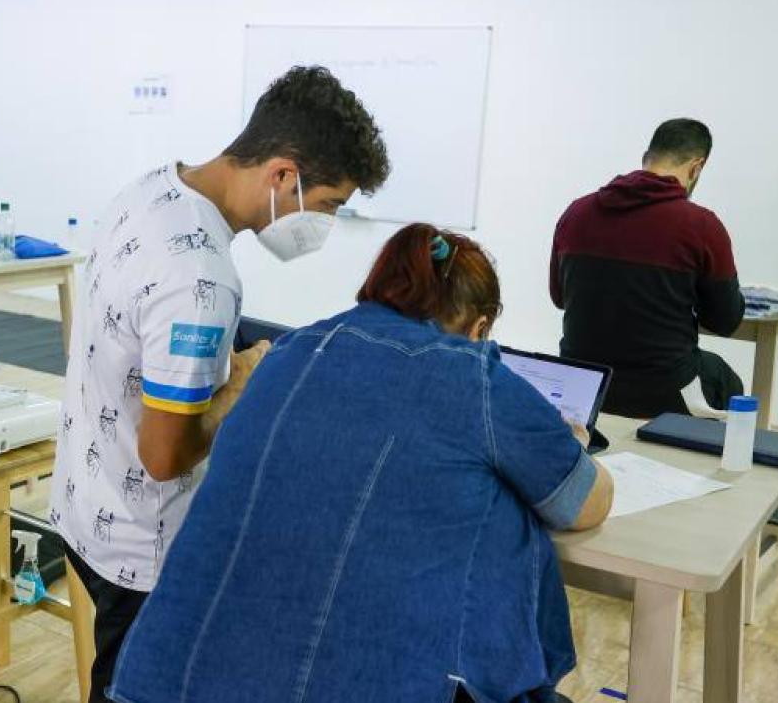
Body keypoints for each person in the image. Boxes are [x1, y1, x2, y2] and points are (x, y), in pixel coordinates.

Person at [108, 224, 613, 703]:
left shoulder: (289, 351)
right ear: (480, 327)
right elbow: (584, 503)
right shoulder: (476, 377)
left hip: (172, 675)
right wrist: (569, 441)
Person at [49, 66, 390, 703]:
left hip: (83, 501)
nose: (325, 224)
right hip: (144, 550)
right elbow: (164, 455)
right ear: (283, 175)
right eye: (328, 206)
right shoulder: (201, 277)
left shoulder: (149, 189)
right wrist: (242, 385)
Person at [550, 118, 746, 418]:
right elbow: (726, 321)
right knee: (724, 380)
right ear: (696, 168)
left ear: (647, 158)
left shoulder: (576, 213)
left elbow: (560, 298)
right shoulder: (703, 226)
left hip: (584, 385)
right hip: (664, 391)